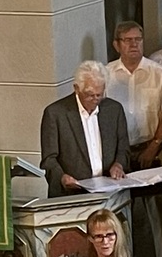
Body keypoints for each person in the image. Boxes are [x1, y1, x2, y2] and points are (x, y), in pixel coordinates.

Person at [103, 20, 162, 257]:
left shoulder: (159, 73)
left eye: (138, 39)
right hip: (117, 154)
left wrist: (153, 146)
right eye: (128, 40)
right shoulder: (106, 74)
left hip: (152, 148)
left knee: (157, 214)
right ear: (116, 44)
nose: (134, 44)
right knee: (122, 213)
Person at [39, 60, 129, 196]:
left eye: (99, 94)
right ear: (76, 88)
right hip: (72, 194)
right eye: (90, 95)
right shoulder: (55, 114)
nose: (95, 99)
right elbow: (49, 160)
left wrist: (118, 165)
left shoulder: (114, 110)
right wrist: (62, 178)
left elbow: (123, 149)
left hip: (109, 191)